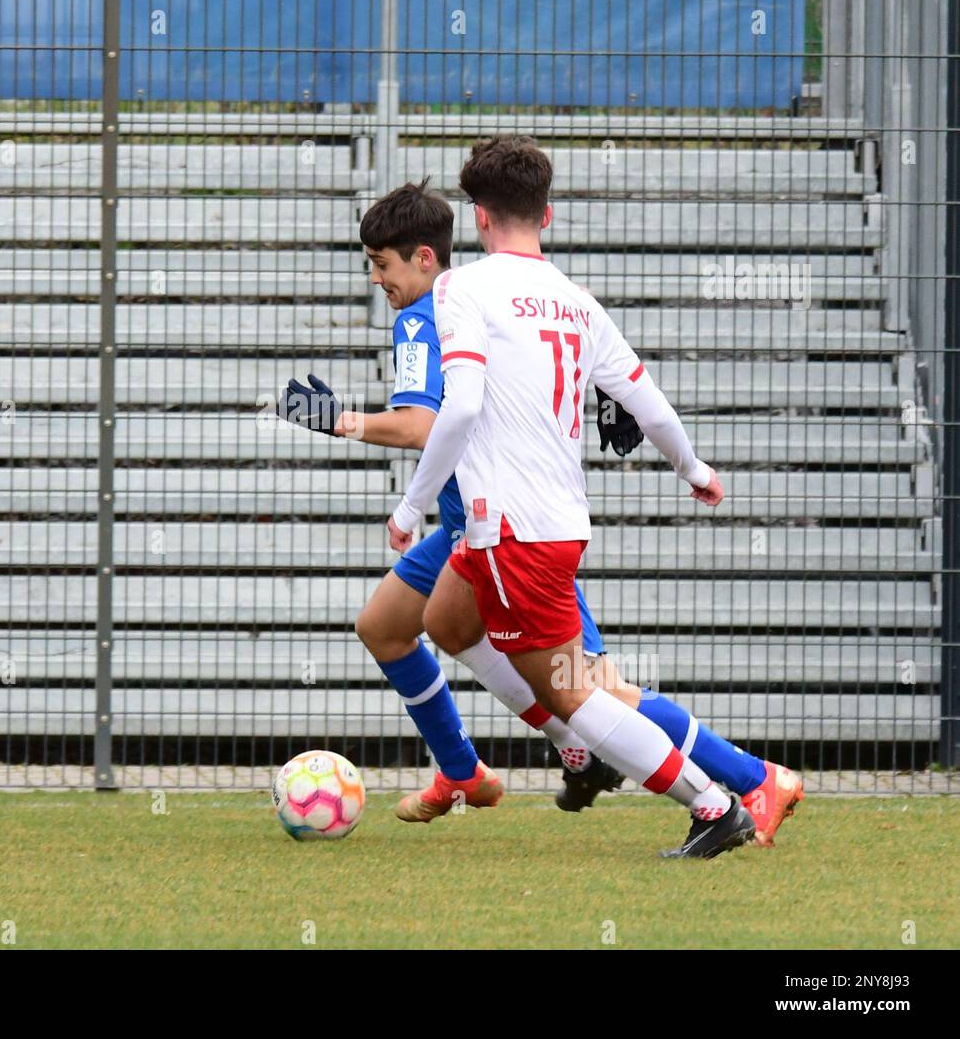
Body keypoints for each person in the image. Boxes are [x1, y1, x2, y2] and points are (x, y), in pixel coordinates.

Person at [281, 177, 803, 850]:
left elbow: (424, 423)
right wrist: (629, 416)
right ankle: (469, 771)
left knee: (592, 691)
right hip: (475, 527)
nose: (377, 279)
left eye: (383, 265)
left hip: (509, 524)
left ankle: (748, 780)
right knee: (401, 624)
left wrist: (339, 422)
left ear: (429, 254)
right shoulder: (525, 298)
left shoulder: (432, 310)